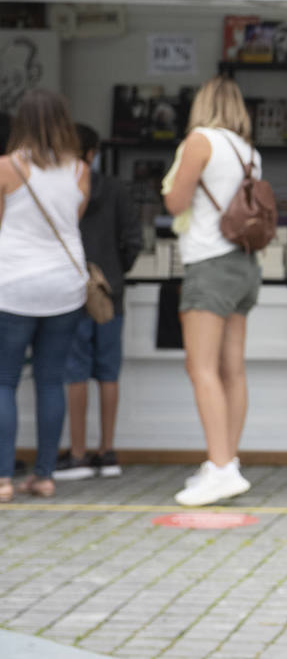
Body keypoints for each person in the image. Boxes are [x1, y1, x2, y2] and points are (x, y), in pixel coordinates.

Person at [162, 76, 261, 507]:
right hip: (243, 264)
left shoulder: (200, 141)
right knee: (231, 370)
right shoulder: (249, 151)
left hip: (209, 262)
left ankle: (220, 468)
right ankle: (227, 462)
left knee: (201, 368)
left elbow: (175, 203)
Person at [0, 89, 90, 501]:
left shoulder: (6, 168)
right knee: (51, 380)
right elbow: (74, 219)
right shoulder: (79, 170)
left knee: (4, 382)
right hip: (64, 287)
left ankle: (3, 478)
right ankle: (46, 475)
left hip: (14, 285)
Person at [51, 126, 142, 481]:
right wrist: (114, 274)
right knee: (108, 373)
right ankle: (107, 451)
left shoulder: (59, 191)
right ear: (93, 152)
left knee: (74, 373)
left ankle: (77, 454)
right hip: (109, 294)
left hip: (70, 290)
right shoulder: (117, 189)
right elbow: (134, 241)